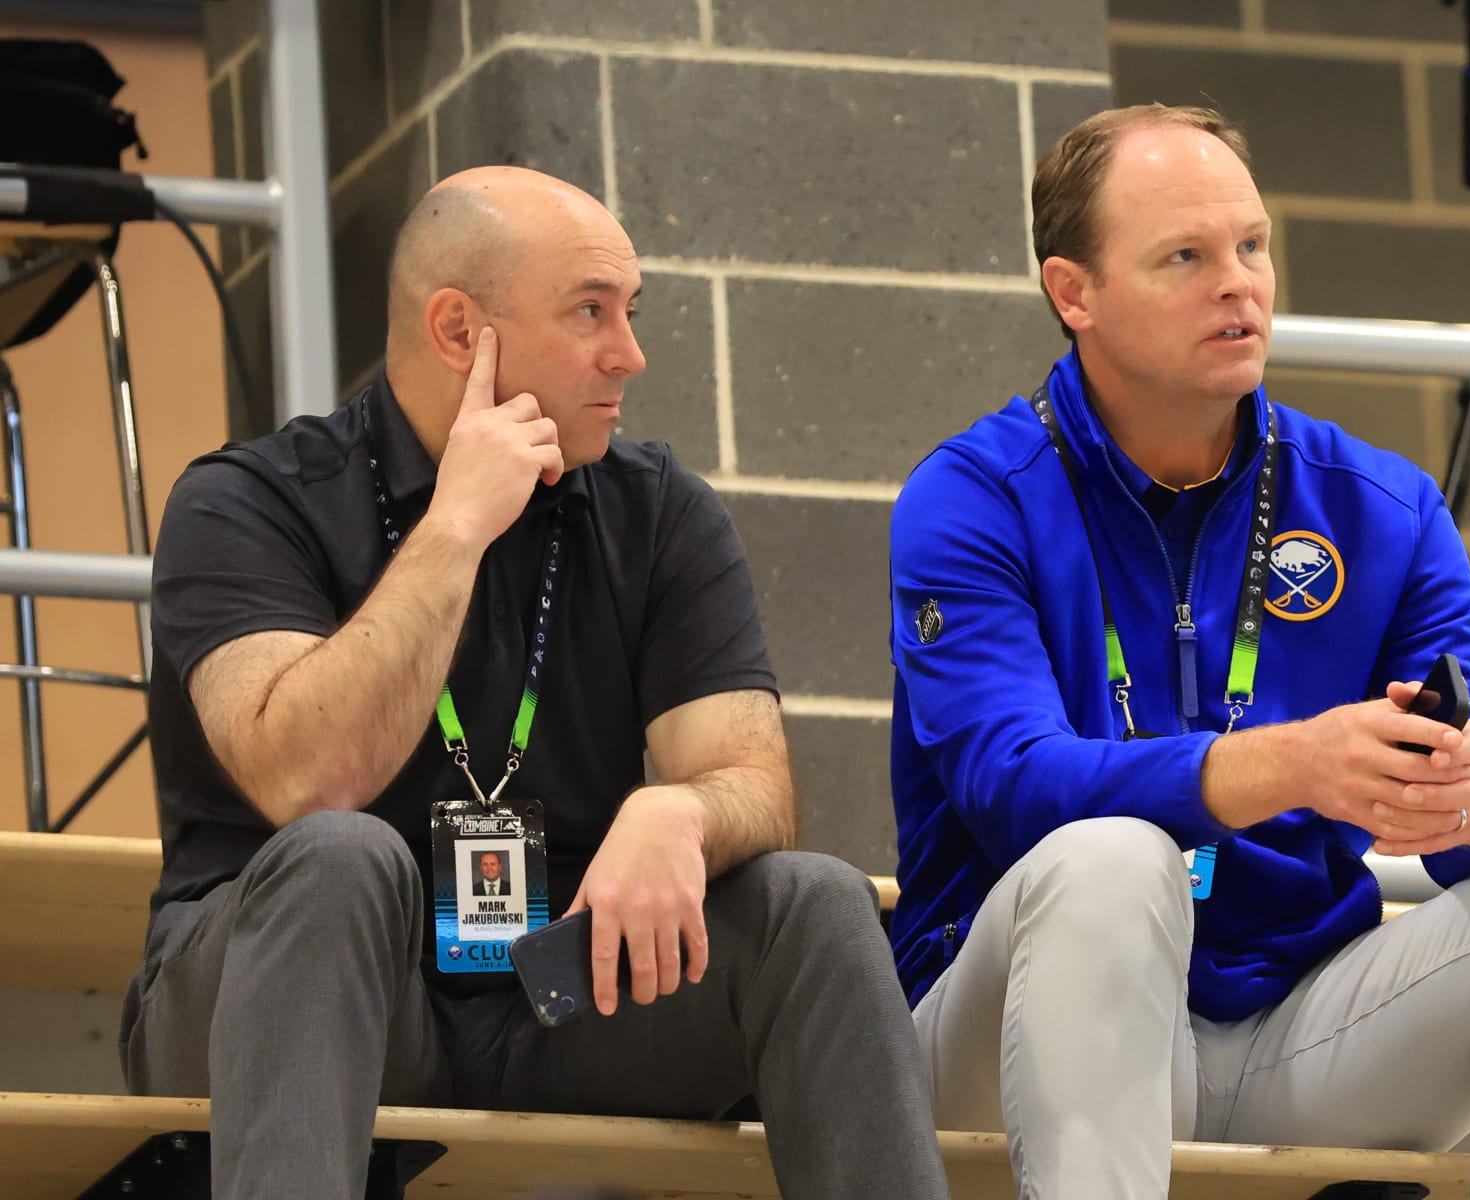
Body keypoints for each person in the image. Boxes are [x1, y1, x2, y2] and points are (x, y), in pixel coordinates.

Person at [123, 165, 950, 1200]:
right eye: (591, 311)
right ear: (458, 330)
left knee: (816, 903)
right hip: (281, 983)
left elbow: (752, 778)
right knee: (340, 858)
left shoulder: (659, 512)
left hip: (554, 990)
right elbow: (309, 778)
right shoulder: (247, 502)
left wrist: (684, 812)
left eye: (631, 311)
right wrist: (456, 527)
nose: (630, 353)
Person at [887, 104, 1470, 1199]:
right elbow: (1014, 788)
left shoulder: (1382, 507)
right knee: (1112, 863)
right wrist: (1288, 766)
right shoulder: (973, 498)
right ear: (1074, 293)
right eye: (1185, 257)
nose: (1238, 285)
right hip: (1002, 1031)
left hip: (1294, 1031)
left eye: (1252, 246)